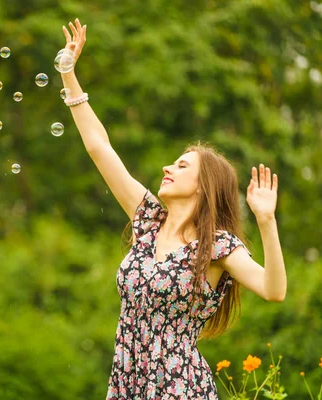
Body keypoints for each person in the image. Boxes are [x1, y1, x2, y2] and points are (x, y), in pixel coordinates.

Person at [59, 19, 287, 399]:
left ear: (203, 187)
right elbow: (99, 147)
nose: (167, 168)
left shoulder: (217, 246)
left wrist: (266, 221)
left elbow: (273, 289)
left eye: (182, 166)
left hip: (179, 388)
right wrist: (69, 73)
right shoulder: (147, 220)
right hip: (127, 381)